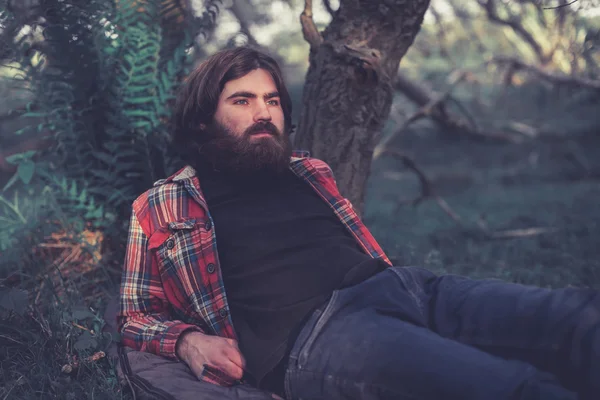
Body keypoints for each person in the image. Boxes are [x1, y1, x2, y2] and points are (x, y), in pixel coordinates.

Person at [117, 46, 599, 400]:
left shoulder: (310, 171)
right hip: (320, 337)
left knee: (576, 317)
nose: (264, 113)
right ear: (204, 121)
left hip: (408, 288)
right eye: (242, 101)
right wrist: (186, 341)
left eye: (272, 101)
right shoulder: (162, 206)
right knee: (509, 386)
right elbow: (134, 315)